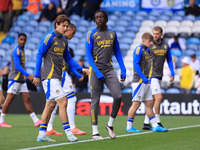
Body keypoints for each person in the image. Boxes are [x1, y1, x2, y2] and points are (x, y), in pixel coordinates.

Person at [33, 14, 89, 142]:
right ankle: (69, 133)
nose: (65, 28)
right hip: (49, 76)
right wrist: (37, 74)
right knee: (63, 102)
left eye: (66, 26)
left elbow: (68, 59)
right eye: (63, 25)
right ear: (56, 25)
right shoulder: (49, 37)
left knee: (50, 106)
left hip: (57, 77)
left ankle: (41, 134)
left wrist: (81, 69)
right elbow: (39, 54)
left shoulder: (64, 41)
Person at [85, 10, 126, 140]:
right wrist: (96, 71)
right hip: (95, 70)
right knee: (95, 100)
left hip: (109, 69)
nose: (100, 19)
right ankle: (95, 132)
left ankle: (110, 125)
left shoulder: (112, 33)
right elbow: (88, 55)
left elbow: (118, 52)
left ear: (106, 19)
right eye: (97, 17)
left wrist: (123, 68)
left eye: (102, 17)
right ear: (95, 20)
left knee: (118, 96)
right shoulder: (91, 33)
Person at [46, 23, 86, 136]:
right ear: (66, 30)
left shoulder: (62, 41)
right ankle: (72, 128)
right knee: (71, 99)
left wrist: (78, 75)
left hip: (58, 73)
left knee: (54, 101)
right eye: (73, 33)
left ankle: (49, 128)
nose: (73, 35)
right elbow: (67, 61)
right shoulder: (61, 41)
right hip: (60, 74)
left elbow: (67, 61)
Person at [126, 32, 168, 133]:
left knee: (149, 103)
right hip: (139, 81)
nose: (151, 43)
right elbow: (136, 64)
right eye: (149, 41)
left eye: (152, 41)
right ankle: (129, 126)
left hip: (146, 81)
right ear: (143, 40)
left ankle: (155, 125)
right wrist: (143, 77)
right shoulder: (139, 49)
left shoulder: (147, 50)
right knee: (136, 104)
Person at [0, 33, 41, 127]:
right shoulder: (16, 51)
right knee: (9, 100)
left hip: (21, 80)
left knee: (27, 99)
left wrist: (25, 75)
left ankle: (36, 121)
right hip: (15, 79)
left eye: (24, 40)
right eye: (21, 39)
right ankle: (1, 121)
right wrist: (29, 75)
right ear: (18, 39)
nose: (22, 41)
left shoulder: (22, 50)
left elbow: (22, 65)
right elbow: (17, 66)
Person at [142, 26, 174, 130]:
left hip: (159, 76)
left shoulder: (165, 45)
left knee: (151, 100)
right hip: (151, 76)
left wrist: (172, 73)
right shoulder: (150, 45)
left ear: (161, 34)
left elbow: (169, 59)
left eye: (157, 34)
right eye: (154, 33)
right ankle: (157, 122)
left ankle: (146, 123)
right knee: (159, 98)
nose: (155, 35)